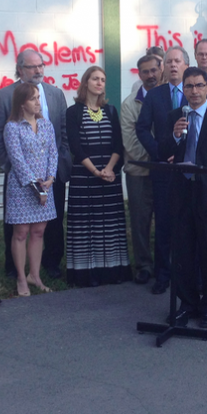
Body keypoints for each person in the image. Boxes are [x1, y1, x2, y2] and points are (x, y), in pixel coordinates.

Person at [159, 67, 207, 329]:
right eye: (189, 86)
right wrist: (175, 135)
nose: (194, 91)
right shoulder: (175, 116)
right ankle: (187, 303)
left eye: (198, 86)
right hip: (182, 193)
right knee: (183, 251)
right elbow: (163, 150)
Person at [0, 49, 70, 281]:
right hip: (20, 175)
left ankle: (51, 264)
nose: (38, 70)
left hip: (50, 174)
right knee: (17, 226)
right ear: (20, 69)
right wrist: (11, 166)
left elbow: (62, 133)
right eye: (32, 67)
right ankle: (15, 268)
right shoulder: (5, 95)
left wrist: (55, 170)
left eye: (41, 65)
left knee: (51, 223)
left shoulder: (55, 94)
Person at [65, 66, 130, 286]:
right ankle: (86, 274)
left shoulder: (111, 111)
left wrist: (110, 169)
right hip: (84, 178)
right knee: (86, 225)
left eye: (102, 79)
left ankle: (111, 272)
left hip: (109, 177)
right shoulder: (73, 112)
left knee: (109, 225)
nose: (100, 83)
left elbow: (117, 144)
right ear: (86, 83)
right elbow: (76, 147)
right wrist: (95, 172)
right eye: (95, 79)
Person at [136, 45, 190, 294]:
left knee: (188, 223)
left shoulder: (196, 91)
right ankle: (163, 274)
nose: (173, 65)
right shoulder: (155, 95)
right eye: (169, 62)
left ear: (186, 65)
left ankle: (188, 272)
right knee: (165, 223)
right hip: (163, 170)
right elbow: (142, 128)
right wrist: (158, 151)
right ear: (163, 67)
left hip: (191, 169)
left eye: (177, 61)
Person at [4, 82, 58, 296]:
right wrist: (37, 189)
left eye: (38, 97)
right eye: (33, 98)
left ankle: (34, 276)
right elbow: (17, 161)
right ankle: (20, 278)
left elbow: (53, 152)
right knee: (21, 232)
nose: (38, 102)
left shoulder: (46, 125)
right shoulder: (13, 128)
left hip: (46, 185)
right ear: (22, 103)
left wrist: (51, 178)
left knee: (38, 231)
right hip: (23, 188)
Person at [121, 54, 161, 284]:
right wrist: (159, 156)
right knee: (140, 220)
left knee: (166, 219)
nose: (150, 75)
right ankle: (144, 265)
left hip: (165, 171)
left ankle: (166, 262)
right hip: (140, 171)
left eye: (154, 70)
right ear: (139, 74)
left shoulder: (169, 97)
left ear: (160, 69)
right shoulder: (130, 104)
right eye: (145, 72)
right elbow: (132, 144)